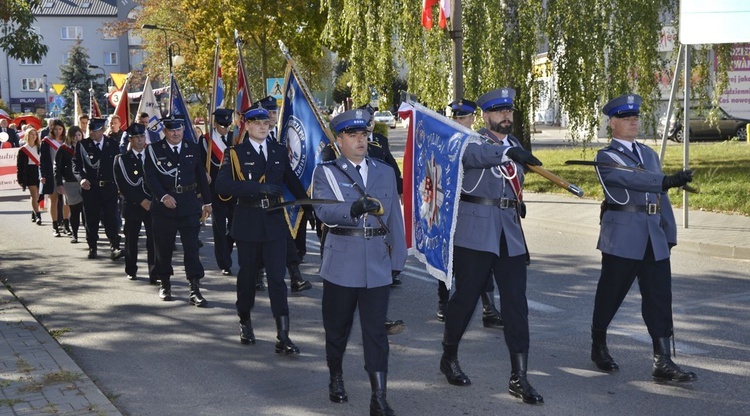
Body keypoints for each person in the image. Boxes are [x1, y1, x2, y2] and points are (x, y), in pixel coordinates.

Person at [440, 87, 544, 405]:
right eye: (499, 111)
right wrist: (508, 154)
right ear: (485, 116)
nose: (506, 116)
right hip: (475, 232)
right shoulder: (471, 141)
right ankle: (449, 356)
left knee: (516, 304)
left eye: (509, 111)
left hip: (509, 233)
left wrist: (514, 155)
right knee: (465, 299)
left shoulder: (515, 144)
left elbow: (516, 180)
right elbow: (475, 159)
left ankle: (519, 376)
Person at [590, 93, 697, 383]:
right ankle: (598, 343)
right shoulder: (606, 156)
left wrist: (669, 232)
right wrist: (665, 181)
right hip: (623, 235)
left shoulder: (648, 154)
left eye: (635, 117)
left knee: (659, 297)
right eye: (626, 118)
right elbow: (629, 179)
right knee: (611, 294)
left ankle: (662, 360)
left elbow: (661, 197)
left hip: (653, 234)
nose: (633, 121)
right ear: (612, 123)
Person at [312, 109, 407, 415]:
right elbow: (324, 212)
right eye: (352, 135)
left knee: (376, 333)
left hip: (377, 262)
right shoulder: (326, 172)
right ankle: (336, 376)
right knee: (337, 328)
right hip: (342, 262)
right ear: (339, 140)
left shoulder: (384, 171)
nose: (360, 140)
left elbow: (394, 217)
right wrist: (352, 209)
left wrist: (398, 258)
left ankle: (379, 397)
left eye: (363, 134)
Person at [214, 103, 309, 354]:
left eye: (266, 124)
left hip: (275, 222)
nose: (262, 128)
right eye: (257, 124)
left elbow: (292, 182)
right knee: (247, 277)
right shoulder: (234, 153)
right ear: (247, 125)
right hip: (248, 221)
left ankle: (283, 336)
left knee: (278, 279)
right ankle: (245, 320)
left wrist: (311, 206)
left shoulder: (278, 151)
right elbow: (222, 186)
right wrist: (258, 188)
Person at [435, 99, 504, 330]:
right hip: (450, 208)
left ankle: (488, 308)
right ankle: (444, 302)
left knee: (484, 260)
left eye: (463, 117)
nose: (459, 121)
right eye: (455, 117)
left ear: (473, 119)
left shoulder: (480, 141)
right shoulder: (449, 141)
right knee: (449, 260)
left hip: (471, 212)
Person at [143, 114, 211, 305]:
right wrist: (163, 196)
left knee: (191, 248)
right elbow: (151, 177)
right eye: (171, 129)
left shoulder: (192, 147)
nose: (175, 133)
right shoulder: (154, 150)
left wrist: (208, 201)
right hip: (165, 207)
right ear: (165, 131)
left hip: (189, 204)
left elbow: (200, 176)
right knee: (163, 248)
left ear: (183, 129)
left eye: (179, 129)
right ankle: (165, 283)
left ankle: (194, 287)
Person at [73, 117, 124, 260]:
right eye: (90, 130)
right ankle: (92, 247)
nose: (92, 133)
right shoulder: (82, 145)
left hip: (109, 188)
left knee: (111, 218)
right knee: (91, 219)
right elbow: (76, 165)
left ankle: (114, 246)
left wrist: (120, 186)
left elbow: (118, 166)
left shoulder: (112, 144)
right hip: (91, 188)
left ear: (102, 130)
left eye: (95, 130)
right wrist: (81, 178)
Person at [114, 123, 156, 283]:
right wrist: (141, 200)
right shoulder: (122, 159)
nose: (140, 140)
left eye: (142, 136)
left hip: (152, 204)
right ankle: (131, 269)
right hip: (132, 205)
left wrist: (151, 200)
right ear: (130, 139)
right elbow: (122, 185)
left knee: (153, 240)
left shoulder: (153, 156)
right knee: (131, 239)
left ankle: (154, 272)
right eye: (136, 137)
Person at [199, 108, 237, 276]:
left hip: (234, 189)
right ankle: (224, 262)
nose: (225, 128)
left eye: (228, 125)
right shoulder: (205, 140)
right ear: (215, 124)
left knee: (236, 227)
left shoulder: (234, 138)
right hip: (215, 190)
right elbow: (199, 162)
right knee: (219, 228)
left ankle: (226, 248)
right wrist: (203, 172)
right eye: (222, 125)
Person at [40, 119, 71, 237]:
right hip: (52, 174)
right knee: (54, 200)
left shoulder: (66, 142)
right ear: (52, 129)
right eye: (56, 129)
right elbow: (42, 160)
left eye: (60, 129)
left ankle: (66, 225)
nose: (58, 131)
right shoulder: (46, 142)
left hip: (65, 175)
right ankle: (55, 226)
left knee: (66, 201)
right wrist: (42, 175)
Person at [55, 126, 84, 243]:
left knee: (86, 211)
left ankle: (90, 235)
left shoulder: (86, 147)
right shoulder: (63, 149)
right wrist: (59, 184)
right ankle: (75, 234)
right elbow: (58, 168)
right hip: (70, 183)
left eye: (79, 135)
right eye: (74, 135)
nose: (77, 138)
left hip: (85, 183)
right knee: (75, 210)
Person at [16, 128, 42, 224]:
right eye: (31, 134)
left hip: (39, 172)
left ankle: (34, 211)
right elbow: (19, 165)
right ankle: (38, 215)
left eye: (35, 134)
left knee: (38, 196)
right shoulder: (23, 150)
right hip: (29, 173)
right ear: (27, 135)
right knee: (34, 195)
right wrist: (20, 179)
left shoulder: (39, 147)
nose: (34, 136)